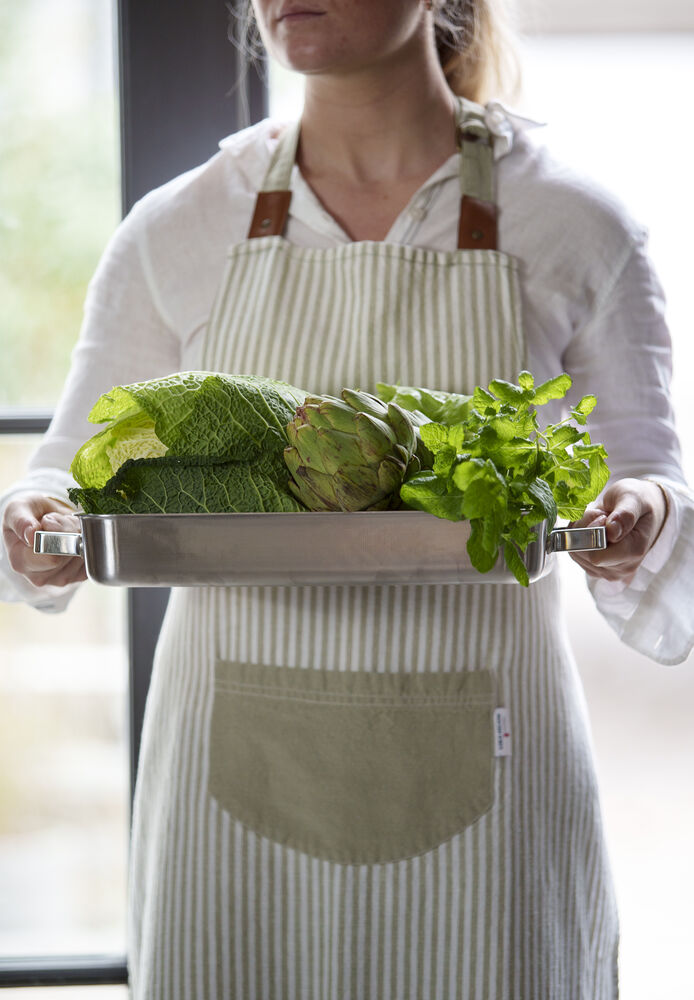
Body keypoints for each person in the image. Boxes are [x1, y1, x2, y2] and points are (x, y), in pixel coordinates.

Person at [1, 1, 693, 996]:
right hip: (228, 781)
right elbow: (69, 471)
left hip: (493, 775)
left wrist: (640, 521)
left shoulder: (573, 224)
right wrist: (38, 522)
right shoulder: (180, 227)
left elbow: (650, 476)